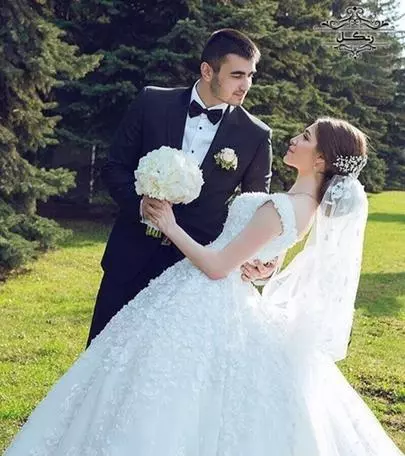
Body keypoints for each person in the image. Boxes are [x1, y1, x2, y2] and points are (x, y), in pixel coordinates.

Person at [5, 118, 404, 456]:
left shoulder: (282, 207)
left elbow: (216, 267)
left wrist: (169, 225)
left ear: (319, 159)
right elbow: (265, 258)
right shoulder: (304, 207)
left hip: (207, 294)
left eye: (306, 136)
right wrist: (261, 268)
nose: (294, 139)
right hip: (225, 292)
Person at [86, 28, 275, 345]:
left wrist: (262, 260)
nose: (246, 85)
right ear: (207, 70)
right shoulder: (152, 102)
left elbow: (255, 208)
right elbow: (114, 167)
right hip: (128, 258)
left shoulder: (255, 135)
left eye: (250, 75)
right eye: (237, 75)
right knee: (101, 355)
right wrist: (140, 206)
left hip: (189, 273)